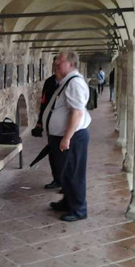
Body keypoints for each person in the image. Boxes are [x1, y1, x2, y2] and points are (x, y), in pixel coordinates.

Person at [43, 51, 91, 222]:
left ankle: (79, 209)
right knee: (65, 172)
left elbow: (76, 113)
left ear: (71, 64)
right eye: (55, 59)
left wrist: (66, 137)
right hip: (65, 136)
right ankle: (68, 202)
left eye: (60, 60)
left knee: (73, 173)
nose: (56, 62)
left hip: (73, 136)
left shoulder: (74, 83)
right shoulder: (66, 81)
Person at [33, 57, 61, 189]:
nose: (56, 68)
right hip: (52, 122)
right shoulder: (50, 82)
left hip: (66, 124)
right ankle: (57, 179)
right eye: (54, 65)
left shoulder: (69, 82)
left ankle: (66, 183)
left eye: (58, 65)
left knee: (66, 154)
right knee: (53, 151)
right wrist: (40, 121)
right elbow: (44, 102)